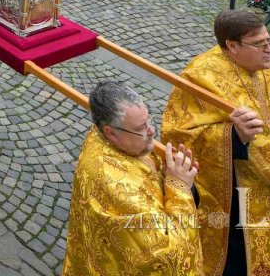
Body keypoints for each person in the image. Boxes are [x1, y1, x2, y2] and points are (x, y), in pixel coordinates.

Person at [161, 10, 270, 276]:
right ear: (232, 46)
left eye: (269, 41)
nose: (269, 50)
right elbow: (178, 139)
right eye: (259, 44)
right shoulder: (199, 77)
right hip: (233, 201)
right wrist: (234, 136)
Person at [62, 81, 202, 276]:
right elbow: (164, 256)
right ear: (111, 133)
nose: (152, 131)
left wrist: (170, 177)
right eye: (141, 128)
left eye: (148, 121)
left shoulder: (107, 137)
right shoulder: (114, 183)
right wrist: (179, 187)